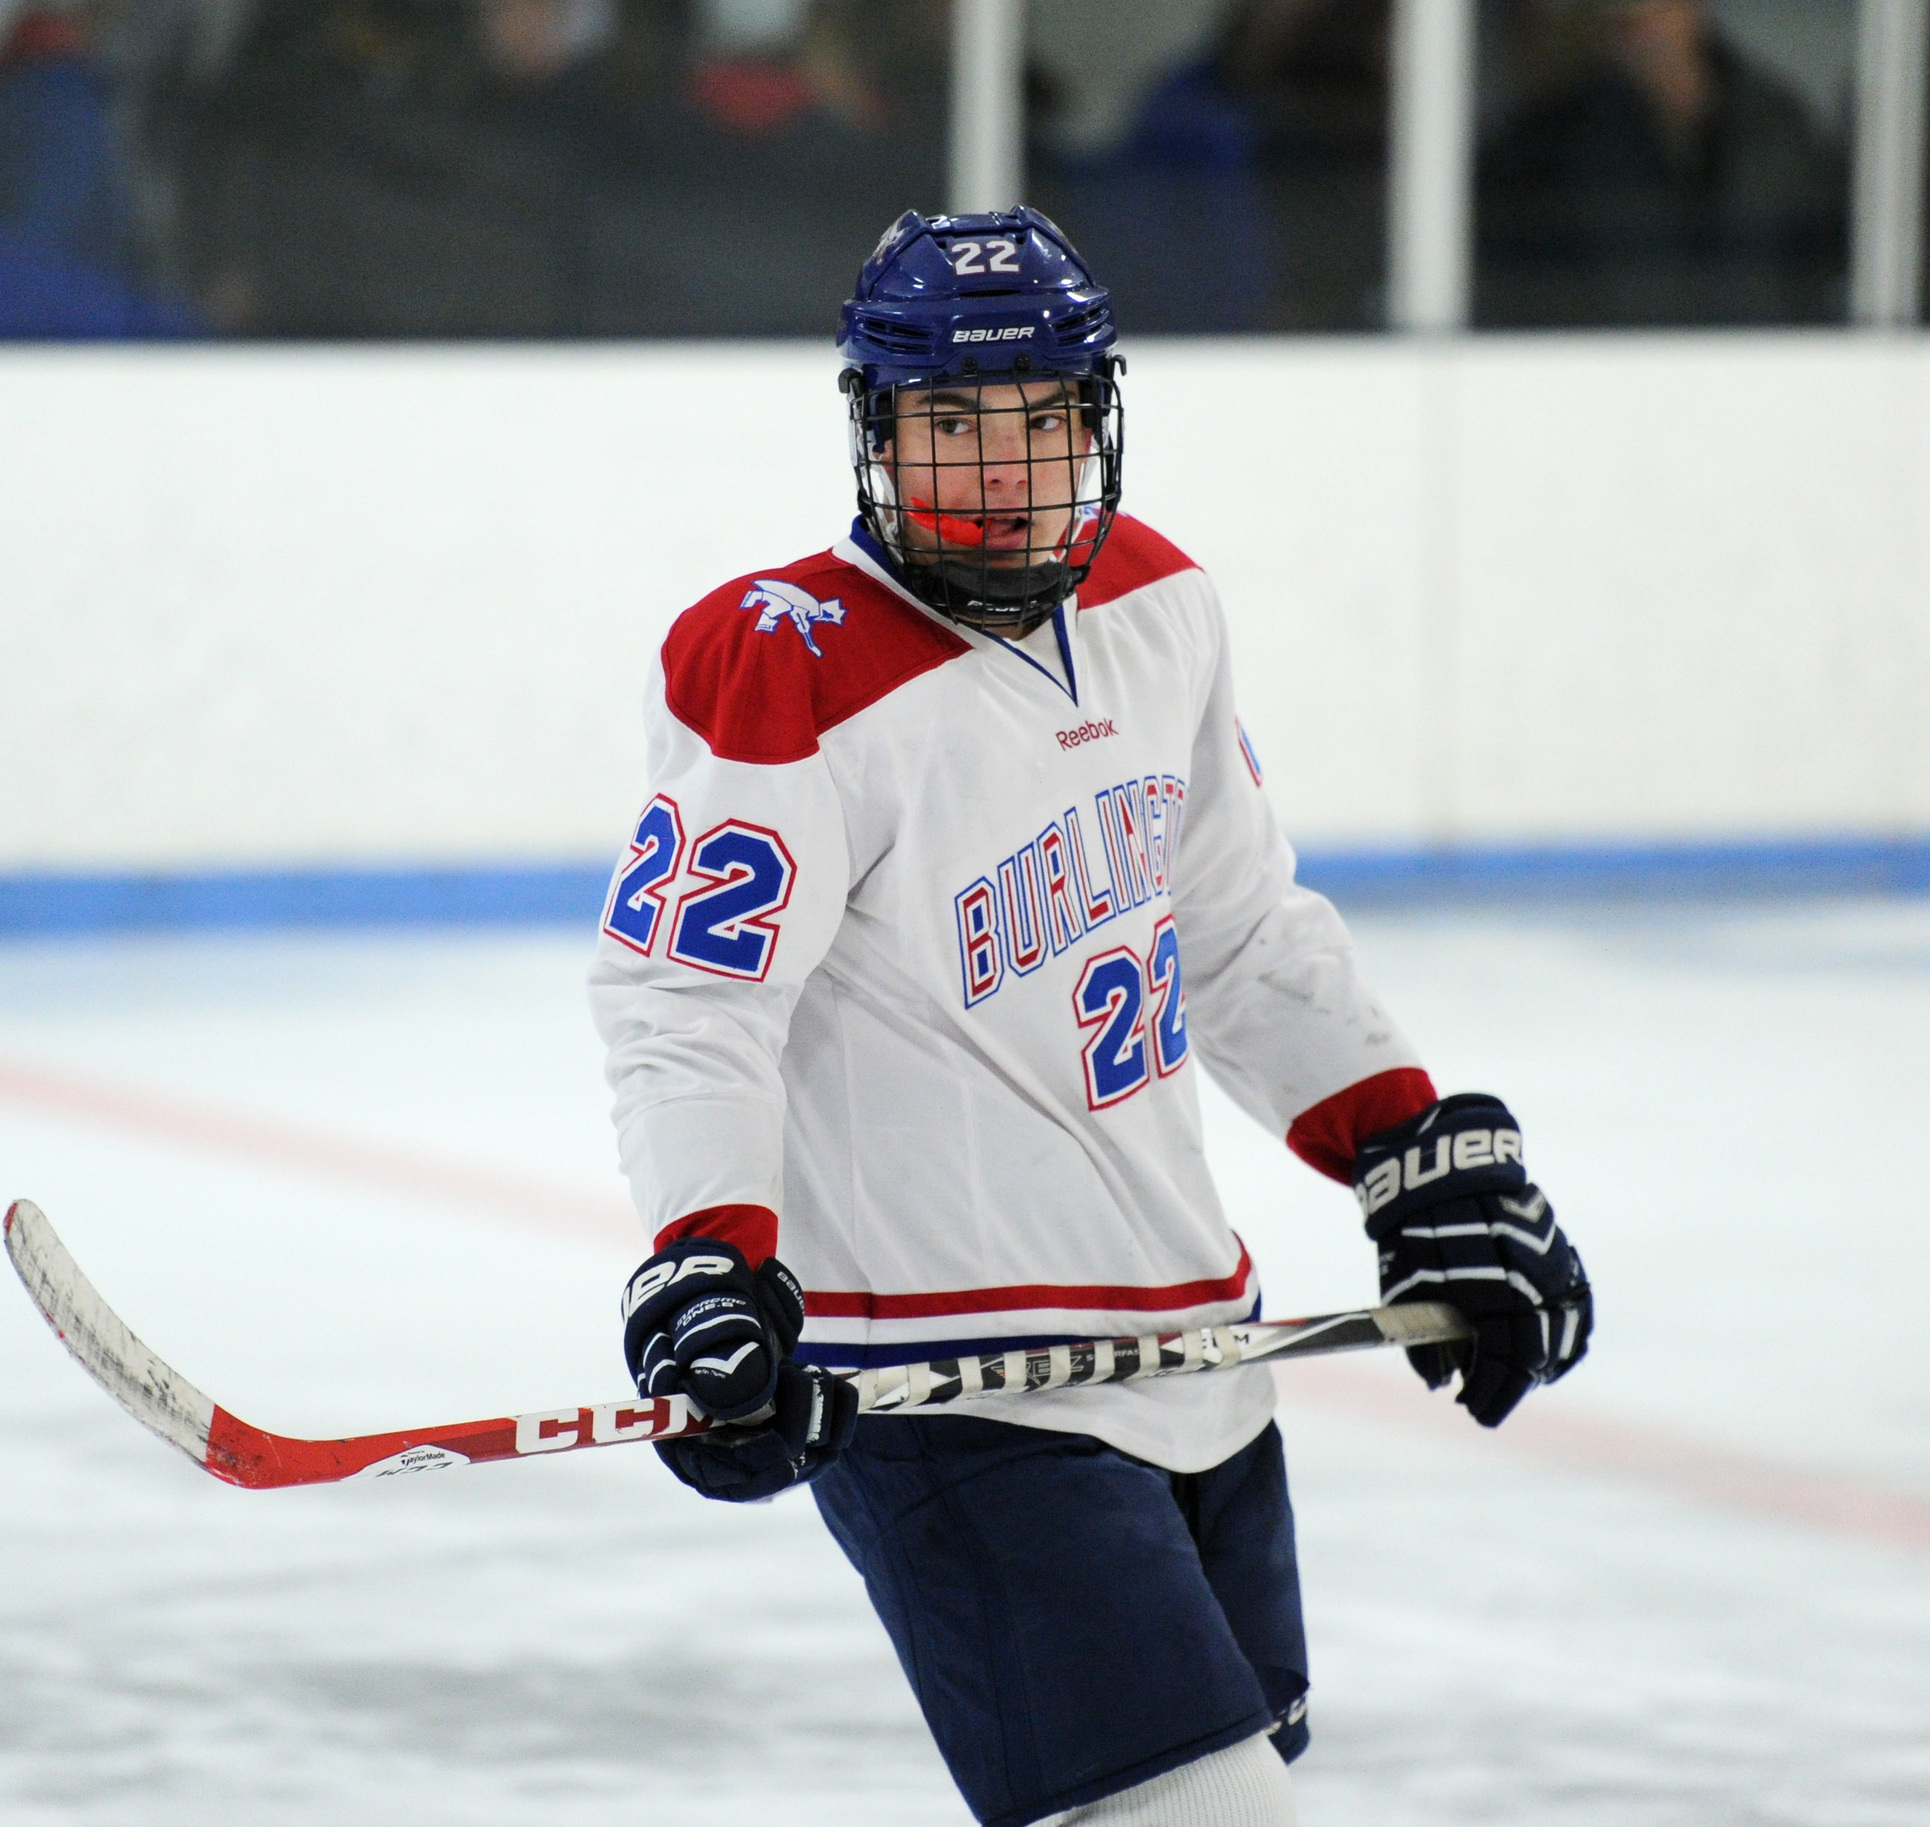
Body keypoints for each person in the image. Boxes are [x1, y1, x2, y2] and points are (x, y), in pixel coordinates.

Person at [589, 207, 1593, 1827]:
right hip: (951, 1390)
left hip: (1199, 1351)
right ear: (875, 430)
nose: (1006, 470)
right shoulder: (781, 659)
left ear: (1098, 419)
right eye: (954, 423)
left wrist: (1408, 1149)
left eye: (1044, 419)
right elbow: (691, 995)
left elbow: (1237, 927)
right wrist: (709, 1253)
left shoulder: (1159, 603)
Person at [1476, 0, 1843, 326]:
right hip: (1611, 365)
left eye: (1657, 14)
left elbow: (1815, 267)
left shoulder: (1774, 124)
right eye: (1625, 23)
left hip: (1764, 363)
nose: (1646, 35)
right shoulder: (1550, 142)